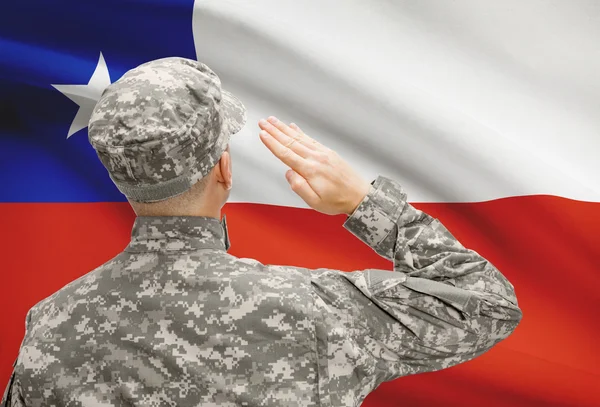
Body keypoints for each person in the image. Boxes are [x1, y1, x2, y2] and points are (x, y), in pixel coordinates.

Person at [1, 57, 522, 407]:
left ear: (120, 177)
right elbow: (488, 304)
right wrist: (365, 204)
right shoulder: (316, 311)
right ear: (224, 168)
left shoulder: (50, 325)